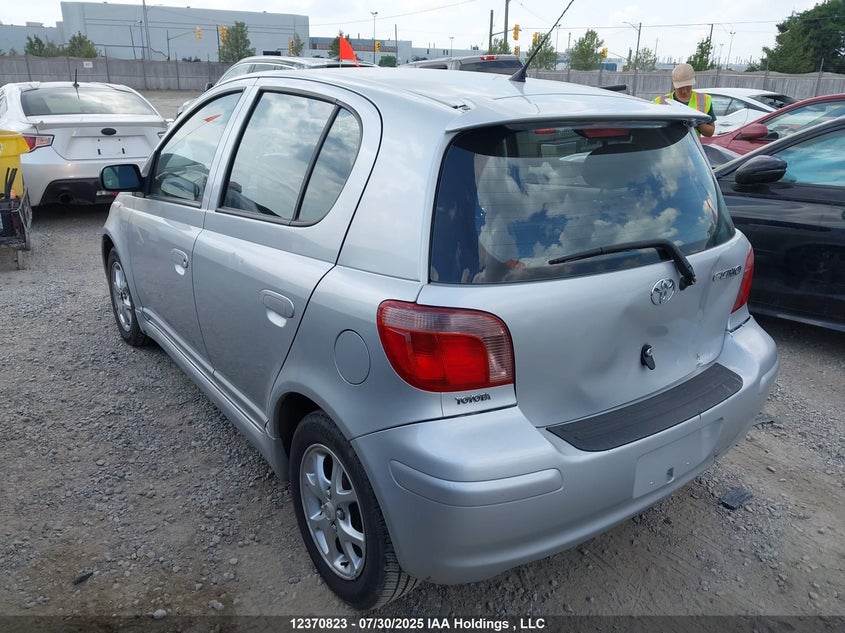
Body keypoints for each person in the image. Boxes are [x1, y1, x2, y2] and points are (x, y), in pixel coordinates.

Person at [654, 63, 716, 137]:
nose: (684, 91)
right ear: (674, 84)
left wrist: (698, 122)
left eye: (688, 87)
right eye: (680, 87)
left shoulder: (704, 100)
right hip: (667, 147)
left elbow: (710, 132)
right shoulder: (660, 102)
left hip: (690, 148)